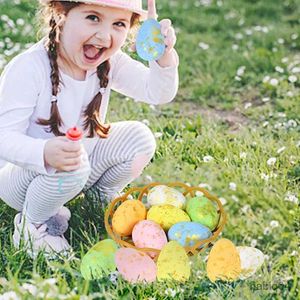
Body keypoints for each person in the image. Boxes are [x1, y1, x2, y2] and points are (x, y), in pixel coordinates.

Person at [0, 0, 179, 258]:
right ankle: (33, 225)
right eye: (93, 18)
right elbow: (3, 137)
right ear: (61, 13)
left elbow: (156, 92)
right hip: (21, 181)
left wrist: (163, 56)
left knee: (139, 139)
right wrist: (44, 152)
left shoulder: (109, 62)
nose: (104, 35)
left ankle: (99, 198)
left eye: (119, 24)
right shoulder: (29, 67)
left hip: (75, 168)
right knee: (74, 159)